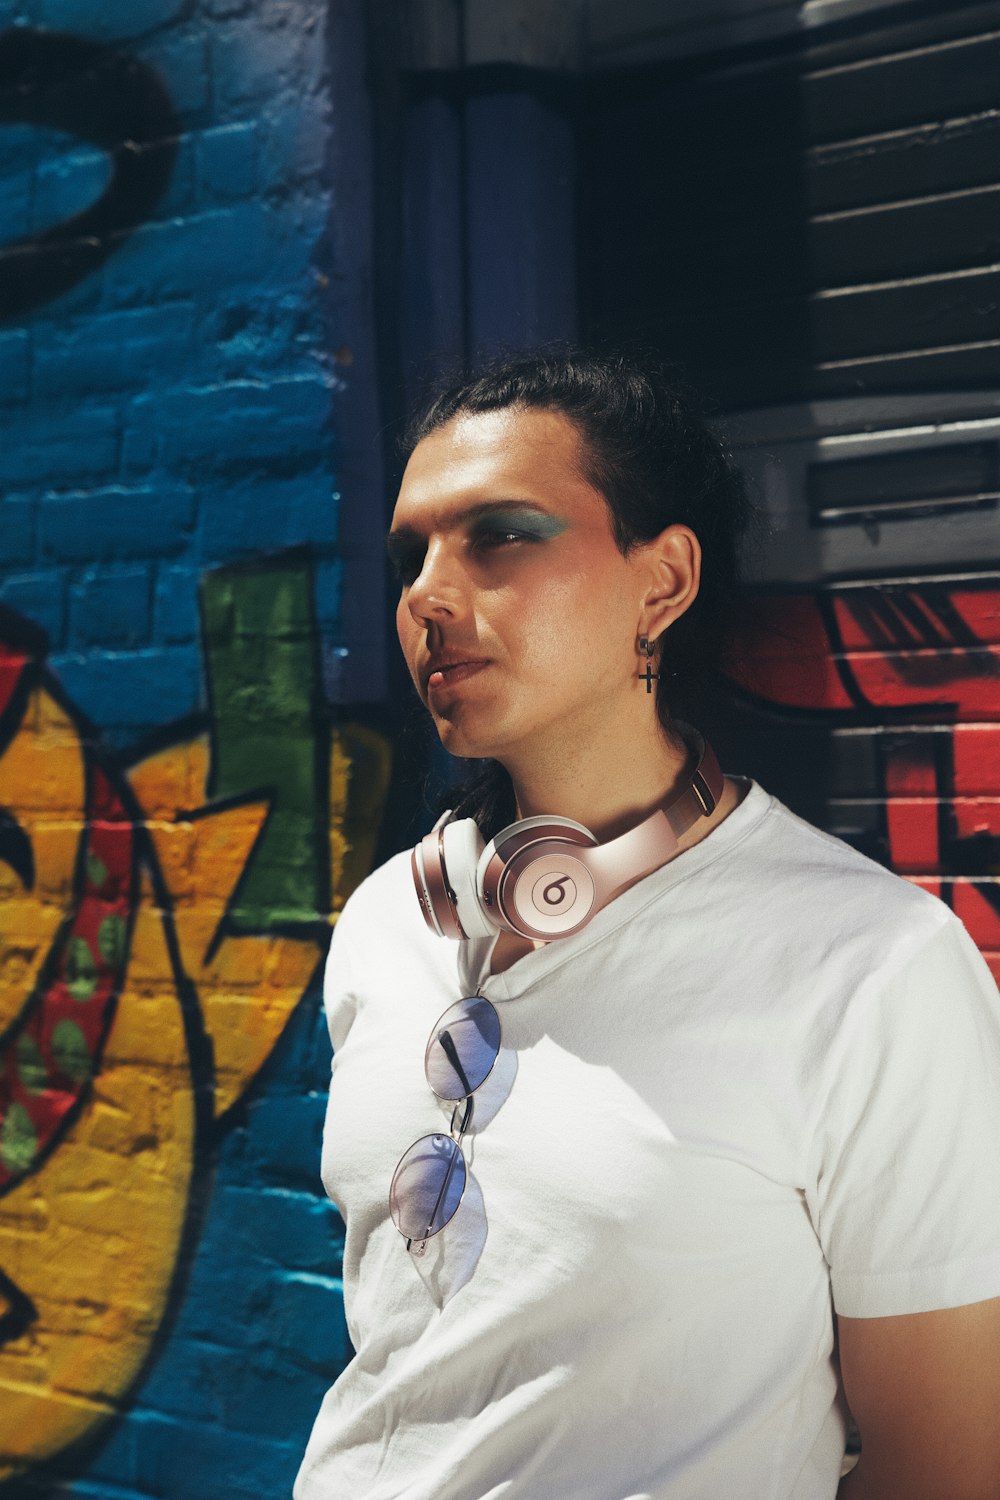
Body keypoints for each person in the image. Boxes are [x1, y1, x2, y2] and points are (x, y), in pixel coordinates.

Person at [295, 350, 1000, 1500]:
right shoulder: (388, 919)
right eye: (408, 555)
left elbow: (945, 1465)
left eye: (499, 536)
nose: (425, 594)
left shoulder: (870, 965)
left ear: (661, 583)